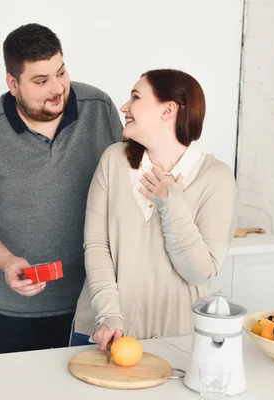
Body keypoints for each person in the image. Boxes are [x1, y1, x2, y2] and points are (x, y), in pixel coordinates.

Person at [0, 23, 123, 354]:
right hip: (19, 310)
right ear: (13, 83)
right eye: (41, 81)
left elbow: (124, 187)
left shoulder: (98, 108)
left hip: (95, 301)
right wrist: (8, 262)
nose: (57, 88)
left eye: (61, 72)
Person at [71, 69, 236, 351]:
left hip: (173, 340)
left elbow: (201, 272)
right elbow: (97, 245)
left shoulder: (216, 177)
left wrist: (173, 205)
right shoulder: (113, 160)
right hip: (102, 331)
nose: (124, 107)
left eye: (135, 97)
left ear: (168, 110)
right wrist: (110, 314)